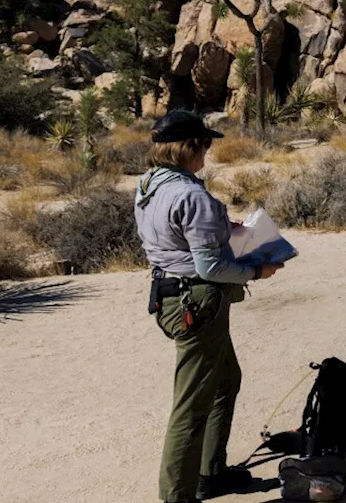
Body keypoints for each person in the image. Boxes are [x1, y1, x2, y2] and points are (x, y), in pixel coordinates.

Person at [134, 110, 284, 503]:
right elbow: (211, 266)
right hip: (197, 300)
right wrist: (257, 271)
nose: (209, 150)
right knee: (191, 406)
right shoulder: (190, 194)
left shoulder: (150, 183)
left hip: (172, 292)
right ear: (189, 147)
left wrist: (221, 229)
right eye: (205, 143)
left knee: (225, 381)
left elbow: (178, 237)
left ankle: (211, 472)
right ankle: (178, 495)